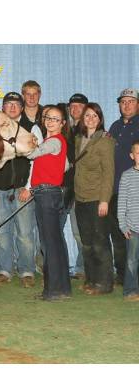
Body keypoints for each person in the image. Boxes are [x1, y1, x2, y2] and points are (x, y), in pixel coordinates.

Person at [0, 92, 38, 288]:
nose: (13, 107)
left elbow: (37, 160)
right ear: (2, 107)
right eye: (8, 104)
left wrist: (29, 187)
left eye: (16, 104)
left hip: (22, 189)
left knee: (25, 233)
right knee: (1, 233)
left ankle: (27, 271)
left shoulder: (32, 128)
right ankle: (4, 270)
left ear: (22, 108)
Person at [27, 105, 71, 300]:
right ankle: (62, 289)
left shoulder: (53, 141)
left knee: (49, 243)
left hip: (46, 194)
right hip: (50, 193)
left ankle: (52, 290)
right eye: (48, 118)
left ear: (62, 123)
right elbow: (66, 165)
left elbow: (31, 154)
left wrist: (30, 143)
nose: (51, 121)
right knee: (55, 242)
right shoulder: (57, 142)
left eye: (55, 119)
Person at [73, 102, 116, 295]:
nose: (90, 119)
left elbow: (109, 173)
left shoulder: (105, 141)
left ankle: (105, 284)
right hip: (80, 198)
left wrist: (104, 200)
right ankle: (91, 279)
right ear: (82, 118)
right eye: (87, 115)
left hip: (97, 198)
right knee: (87, 243)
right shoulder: (78, 139)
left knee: (100, 242)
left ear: (100, 119)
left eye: (94, 116)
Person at [107, 88, 139, 285]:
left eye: (131, 101)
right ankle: (123, 276)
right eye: (123, 101)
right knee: (119, 235)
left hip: (135, 190)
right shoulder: (115, 126)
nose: (126, 105)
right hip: (115, 189)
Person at [64, 94, 89, 278]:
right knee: (65, 230)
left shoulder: (91, 130)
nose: (75, 109)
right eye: (72, 106)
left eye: (79, 106)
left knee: (81, 230)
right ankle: (61, 267)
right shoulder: (65, 128)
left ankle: (84, 267)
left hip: (82, 187)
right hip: (64, 186)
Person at [118, 140, 139, 301]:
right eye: (138, 153)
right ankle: (130, 291)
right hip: (133, 228)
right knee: (132, 261)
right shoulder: (126, 176)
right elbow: (121, 203)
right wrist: (123, 225)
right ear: (132, 156)